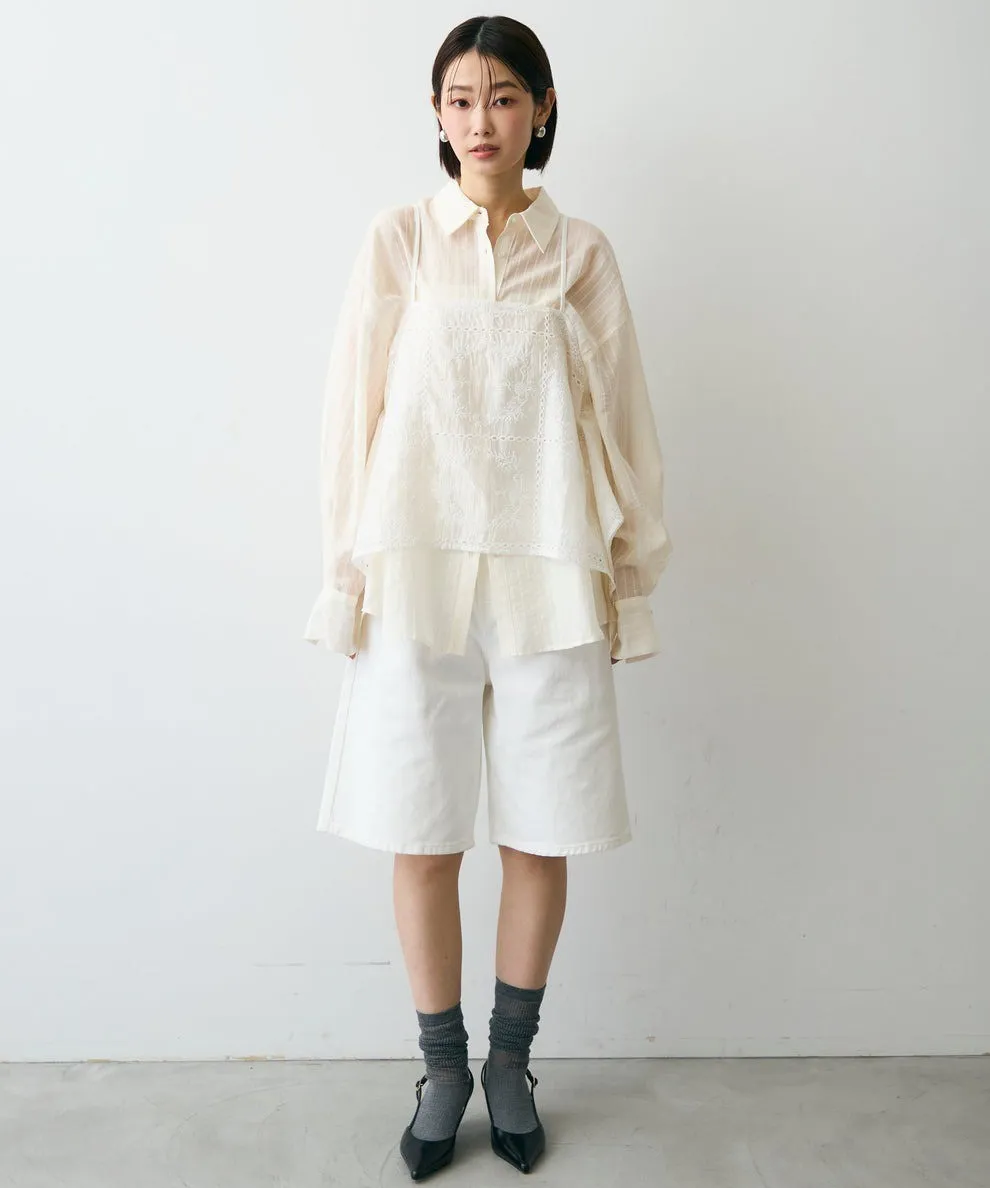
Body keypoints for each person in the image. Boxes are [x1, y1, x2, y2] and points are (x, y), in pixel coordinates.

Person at [303, 14, 672, 1180]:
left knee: (539, 828)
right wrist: (345, 578)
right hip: (415, 577)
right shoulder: (400, 242)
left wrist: (629, 580)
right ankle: (443, 1069)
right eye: (460, 99)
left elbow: (625, 425)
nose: (481, 121)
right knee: (419, 831)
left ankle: (511, 1062)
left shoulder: (580, 255)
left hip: (549, 576)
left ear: (542, 109)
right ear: (436, 113)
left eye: (504, 97)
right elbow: (351, 420)